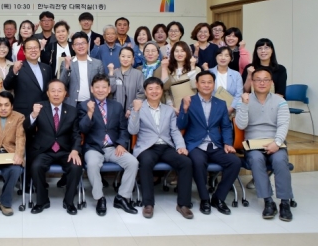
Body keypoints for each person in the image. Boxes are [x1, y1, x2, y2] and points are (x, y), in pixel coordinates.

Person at [128, 77, 194, 220]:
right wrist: (135, 112)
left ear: (161, 91)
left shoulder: (168, 110)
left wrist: (181, 146)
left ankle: (183, 204)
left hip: (166, 146)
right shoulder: (139, 108)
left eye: (157, 88)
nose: (154, 91)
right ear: (145, 92)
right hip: (147, 147)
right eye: (150, 89)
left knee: (186, 162)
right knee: (145, 163)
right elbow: (133, 131)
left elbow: (175, 131)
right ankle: (148, 204)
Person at [177, 71, 240, 215]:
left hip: (215, 144)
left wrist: (228, 143)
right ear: (197, 84)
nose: (206, 85)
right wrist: (185, 110)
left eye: (209, 82)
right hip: (195, 144)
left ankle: (218, 198)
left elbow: (225, 126)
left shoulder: (221, 103)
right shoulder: (188, 100)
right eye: (203, 82)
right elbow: (180, 125)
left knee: (235, 162)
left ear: (214, 84)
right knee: (198, 163)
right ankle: (204, 199)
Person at [236, 66, 293, 221]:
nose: (262, 83)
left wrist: (277, 142)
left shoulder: (280, 101)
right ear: (252, 82)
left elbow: (283, 125)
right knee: (255, 159)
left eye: (265, 80)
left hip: (275, 141)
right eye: (258, 80)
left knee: (280, 160)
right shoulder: (245, 100)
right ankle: (268, 201)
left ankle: (285, 202)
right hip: (253, 143)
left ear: (271, 82)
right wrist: (244, 105)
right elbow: (241, 125)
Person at [78, 74, 138, 216]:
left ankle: (122, 197)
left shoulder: (116, 106)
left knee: (133, 162)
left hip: (113, 147)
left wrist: (122, 144)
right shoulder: (83, 105)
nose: (100, 90)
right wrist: (90, 113)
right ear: (92, 89)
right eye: (97, 87)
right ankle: (100, 198)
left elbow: (123, 128)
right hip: (93, 147)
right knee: (92, 164)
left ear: (109, 89)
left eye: (104, 87)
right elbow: (82, 129)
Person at [26, 80, 83, 215]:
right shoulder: (39, 107)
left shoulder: (72, 111)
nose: (56, 94)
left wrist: (75, 150)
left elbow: (76, 134)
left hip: (65, 150)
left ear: (65, 94)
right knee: (36, 166)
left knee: (76, 166)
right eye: (53, 91)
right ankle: (42, 201)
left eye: (59, 91)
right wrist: (33, 115)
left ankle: (69, 202)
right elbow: (27, 129)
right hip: (44, 150)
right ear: (47, 93)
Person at [4, 37, 52, 118]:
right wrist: (14, 71)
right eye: (29, 48)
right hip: (24, 112)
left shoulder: (47, 68)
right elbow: (7, 86)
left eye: (36, 47)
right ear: (24, 51)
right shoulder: (17, 67)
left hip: (44, 110)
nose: (33, 50)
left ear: (40, 50)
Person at [60, 32, 104, 107]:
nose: (80, 46)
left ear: (88, 44)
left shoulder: (97, 63)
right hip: (72, 104)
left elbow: (102, 84)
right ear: (73, 47)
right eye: (77, 44)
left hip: (92, 103)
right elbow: (61, 84)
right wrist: (67, 67)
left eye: (83, 43)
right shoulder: (66, 63)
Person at [157, 41, 200, 113]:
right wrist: (171, 106)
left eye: (182, 51)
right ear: (173, 53)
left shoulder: (196, 69)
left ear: (187, 52)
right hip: (176, 109)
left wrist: (192, 67)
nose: (179, 54)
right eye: (176, 51)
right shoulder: (169, 70)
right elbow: (166, 90)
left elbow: (195, 86)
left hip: (194, 108)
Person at [108, 46, 144, 116]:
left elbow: (141, 94)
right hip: (115, 112)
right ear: (119, 57)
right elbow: (110, 90)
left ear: (133, 58)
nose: (125, 59)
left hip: (133, 112)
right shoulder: (114, 73)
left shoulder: (138, 74)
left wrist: (131, 108)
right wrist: (111, 74)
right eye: (123, 56)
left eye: (129, 57)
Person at [209, 47, 244, 114]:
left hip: (231, 111)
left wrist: (231, 108)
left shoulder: (236, 75)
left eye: (226, 55)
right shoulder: (208, 73)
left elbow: (239, 94)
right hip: (211, 110)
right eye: (220, 55)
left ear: (231, 58)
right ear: (216, 57)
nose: (223, 58)